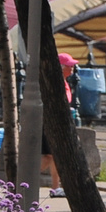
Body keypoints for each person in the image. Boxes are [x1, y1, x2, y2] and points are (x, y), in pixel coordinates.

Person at [43, 53, 80, 197]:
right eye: (69, 66)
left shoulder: (63, 82)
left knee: (53, 156)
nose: (72, 68)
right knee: (48, 157)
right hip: (51, 123)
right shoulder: (56, 82)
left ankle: (55, 187)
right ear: (60, 67)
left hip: (56, 122)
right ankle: (21, 179)